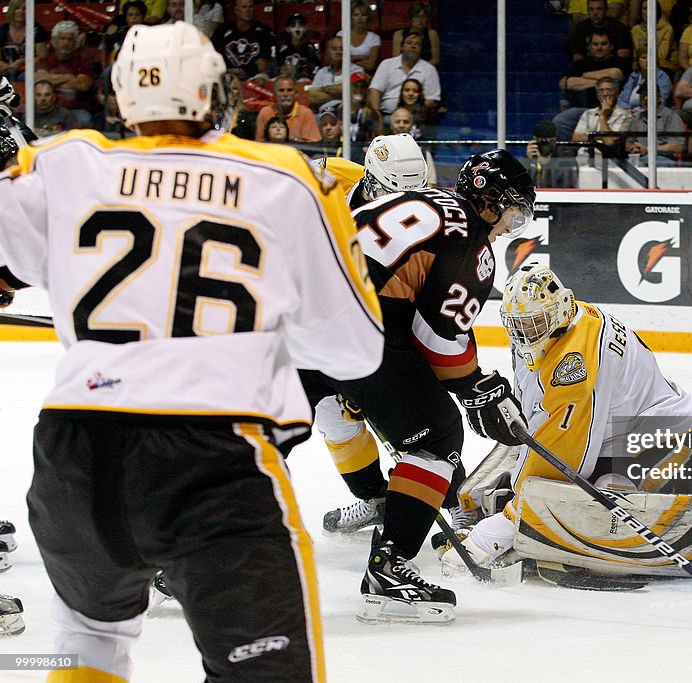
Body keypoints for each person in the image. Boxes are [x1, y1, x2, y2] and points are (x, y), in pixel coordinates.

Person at [0, 21, 383, 681]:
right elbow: (352, 350)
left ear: (121, 94)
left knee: (88, 638)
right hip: (212, 457)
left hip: (72, 450)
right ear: (216, 93)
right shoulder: (282, 177)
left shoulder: (64, 161)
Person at [314, 147, 535, 624]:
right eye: (513, 211)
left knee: (263, 434)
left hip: (289, 305)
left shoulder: (422, 200)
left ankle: (187, 554)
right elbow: (436, 340)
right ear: (490, 200)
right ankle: (389, 568)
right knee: (435, 436)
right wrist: (478, 386)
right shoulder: (472, 246)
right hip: (355, 328)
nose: (510, 225)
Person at [441, 264, 692, 575]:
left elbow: (563, 455)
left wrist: (506, 524)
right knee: (547, 468)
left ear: (562, 307)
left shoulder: (575, 361)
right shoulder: (557, 328)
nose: (526, 334)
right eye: (518, 326)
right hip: (622, 440)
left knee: (607, 498)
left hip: (678, 441)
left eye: (535, 324)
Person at [554, 28, 630, 140]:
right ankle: (569, 153)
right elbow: (568, 83)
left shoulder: (619, 62)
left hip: (612, 110)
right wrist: (602, 82)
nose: (599, 47)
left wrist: (584, 76)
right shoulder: (580, 64)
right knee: (559, 122)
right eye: (595, 44)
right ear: (589, 46)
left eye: (603, 44)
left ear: (611, 46)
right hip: (582, 109)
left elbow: (615, 74)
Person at [34, 20, 98, 127]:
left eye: (70, 39)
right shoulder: (45, 60)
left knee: (84, 119)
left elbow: (83, 85)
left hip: (75, 110)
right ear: (54, 40)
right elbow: (36, 81)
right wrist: (69, 78)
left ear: (75, 42)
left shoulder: (83, 62)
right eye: (62, 38)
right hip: (47, 110)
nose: (66, 43)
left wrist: (50, 81)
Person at [368, 31, 441, 118]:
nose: (413, 46)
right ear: (402, 47)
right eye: (409, 43)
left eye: (417, 44)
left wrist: (413, 112)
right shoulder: (387, 64)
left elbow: (431, 99)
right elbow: (375, 90)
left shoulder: (429, 69)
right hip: (387, 115)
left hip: (415, 117)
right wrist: (377, 114)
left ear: (421, 49)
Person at [624, 84, 684, 166]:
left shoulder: (670, 116)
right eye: (642, 96)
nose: (645, 99)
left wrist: (649, 149)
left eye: (648, 95)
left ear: (658, 97)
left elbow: (678, 146)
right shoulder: (638, 118)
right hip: (640, 158)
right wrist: (633, 147)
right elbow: (628, 144)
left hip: (662, 158)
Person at [212, 0, 274, 80]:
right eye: (244, 7)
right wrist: (227, 70)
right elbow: (214, 58)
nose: (248, 10)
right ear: (236, 10)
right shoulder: (223, 31)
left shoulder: (264, 32)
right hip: (226, 75)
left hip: (253, 77)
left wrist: (247, 72)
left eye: (250, 7)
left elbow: (264, 63)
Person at [255, 76, 320, 142]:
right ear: (275, 94)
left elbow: (313, 144)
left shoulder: (306, 113)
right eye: (281, 90)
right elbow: (259, 143)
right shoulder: (265, 112)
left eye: (289, 90)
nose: (285, 94)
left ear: (296, 93)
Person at [566, 0, 632, 62]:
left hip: (613, 69)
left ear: (606, 10)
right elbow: (578, 60)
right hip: (588, 69)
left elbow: (623, 61)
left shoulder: (619, 28)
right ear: (587, 11)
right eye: (591, 9)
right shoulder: (581, 28)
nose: (595, 13)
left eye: (599, 9)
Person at [0, 0, 50, 81]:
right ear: (11, 10)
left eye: (25, 8)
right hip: (5, 70)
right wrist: (4, 66)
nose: (21, 11)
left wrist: (21, 62)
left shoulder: (37, 30)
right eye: (17, 8)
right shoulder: (2, 30)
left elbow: (42, 57)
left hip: (28, 71)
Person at [521, 118, 578, 188]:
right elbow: (522, 187)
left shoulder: (566, 157)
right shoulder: (530, 157)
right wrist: (528, 160)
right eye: (542, 141)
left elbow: (568, 188)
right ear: (534, 140)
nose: (546, 145)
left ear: (555, 140)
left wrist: (547, 164)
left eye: (550, 141)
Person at [387, 106, 435, 185]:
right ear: (391, 125)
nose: (401, 125)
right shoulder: (382, 150)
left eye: (406, 122)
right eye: (397, 121)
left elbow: (431, 183)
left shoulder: (423, 152)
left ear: (412, 125)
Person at [391, 2, 441, 66]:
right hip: (404, 68)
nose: (420, 20)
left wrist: (418, 68)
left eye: (424, 17)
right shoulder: (398, 34)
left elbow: (435, 59)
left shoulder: (432, 34)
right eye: (417, 17)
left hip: (425, 69)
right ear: (411, 18)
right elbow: (396, 58)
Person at [338, 1, 381, 75]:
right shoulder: (341, 34)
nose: (360, 18)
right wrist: (360, 58)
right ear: (351, 17)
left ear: (368, 17)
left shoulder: (375, 38)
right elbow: (339, 60)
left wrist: (350, 59)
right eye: (356, 15)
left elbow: (370, 65)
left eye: (363, 15)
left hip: (363, 75)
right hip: (342, 73)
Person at [276, 12, 320, 83]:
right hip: (286, 79)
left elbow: (314, 66)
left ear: (305, 28)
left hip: (302, 79)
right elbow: (277, 66)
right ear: (288, 29)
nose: (297, 27)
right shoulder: (283, 48)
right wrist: (281, 70)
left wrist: (305, 71)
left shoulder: (310, 48)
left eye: (301, 24)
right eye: (293, 25)